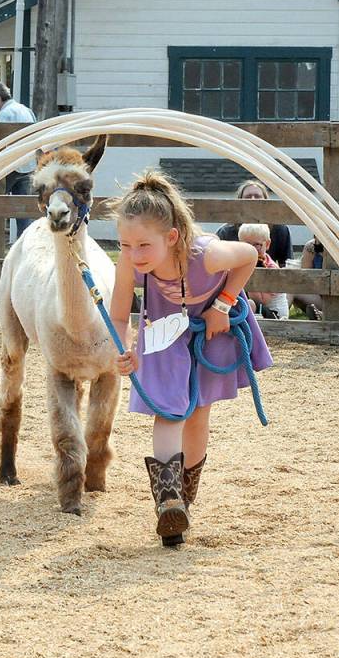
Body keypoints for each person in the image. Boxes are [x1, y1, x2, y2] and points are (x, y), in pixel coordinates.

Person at [108, 171, 273, 547]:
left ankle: (184, 500)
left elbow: (250, 256)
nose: (134, 255)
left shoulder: (207, 254)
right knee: (168, 410)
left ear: (171, 237)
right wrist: (125, 346)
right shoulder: (130, 263)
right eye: (125, 245)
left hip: (211, 327)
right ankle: (168, 500)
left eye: (143, 246)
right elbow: (119, 316)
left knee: (198, 413)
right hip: (164, 324)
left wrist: (223, 303)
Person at [0, 82, 36, 240]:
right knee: (23, 209)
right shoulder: (26, 110)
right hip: (28, 164)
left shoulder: (5, 114)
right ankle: (25, 242)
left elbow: (1, 144)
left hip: (11, 166)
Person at [216, 180, 293, 268]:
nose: (253, 199)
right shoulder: (225, 231)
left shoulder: (280, 229)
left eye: (257, 196)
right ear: (239, 202)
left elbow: (286, 264)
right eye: (248, 197)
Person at [238, 224, 288, 318]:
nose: (252, 249)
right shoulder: (242, 261)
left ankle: (248, 330)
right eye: (246, 245)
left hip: (274, 313)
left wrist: (250, 274)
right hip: (257, 308)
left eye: (257, 245)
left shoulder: (270, 267)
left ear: (267, 244)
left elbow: (262, 301)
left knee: (250, 304)